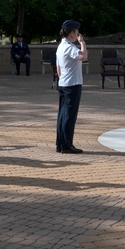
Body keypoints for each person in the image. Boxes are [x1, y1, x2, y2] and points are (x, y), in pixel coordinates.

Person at [55, 19, 87, 154]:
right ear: (72, 33)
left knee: (62, 115)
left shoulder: (61, 46)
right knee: (69, 116)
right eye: (77, 32)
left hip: (63, 83)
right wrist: (83, 43)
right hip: (72, 84)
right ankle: (67, 145)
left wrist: (61, 79)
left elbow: (58, 68)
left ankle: (60, 143)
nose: (78, 35)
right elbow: (83, 57)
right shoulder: (70, 47)